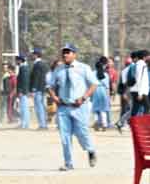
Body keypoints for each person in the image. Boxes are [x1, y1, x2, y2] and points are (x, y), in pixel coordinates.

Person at [47, 43, 99, 171]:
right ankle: (68, 163)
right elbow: (50, 86)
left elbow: (94, 84)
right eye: (63, 52)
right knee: (65, 137)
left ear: (74, 54)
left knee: (82, 133)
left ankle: (91, 150)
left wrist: (84, 97)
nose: (65, 54)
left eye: (68, 52)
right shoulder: (58, 70)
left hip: (79, 107)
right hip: (63, 107)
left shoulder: (83, 68)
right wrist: (54, 97)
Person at [30, 48, 50, 129]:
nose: (32, 56)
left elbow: (37, 77)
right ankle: (44, 123)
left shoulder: (37, 64)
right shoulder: (44, 64)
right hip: (42, 88)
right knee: (42, 106)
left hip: (38, 89)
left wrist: (34, 88)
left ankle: (42, 124)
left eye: (33, 54)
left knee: (39, 107)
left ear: (36, 55)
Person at [91, 57, 111, 131]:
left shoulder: (92, 73)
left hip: (95, 90)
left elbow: (90, 83)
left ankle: (97, 122)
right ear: (105, 65)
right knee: (103, 109)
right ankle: (104, 124)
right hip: (103, 91)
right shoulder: (106, 75)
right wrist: (108, 97)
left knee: (96, 109)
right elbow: (107, 87)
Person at [15, 54, 32, 129]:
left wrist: (22, 91)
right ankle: (25, 123)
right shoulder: (23, 67)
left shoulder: (23, 68)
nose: (16, 61)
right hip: (24, 91)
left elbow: (24, 81)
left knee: (24, 108)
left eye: (17, 60)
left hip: (23, 92)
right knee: (24, 108)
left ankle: (24, 124)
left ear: (20, 60)